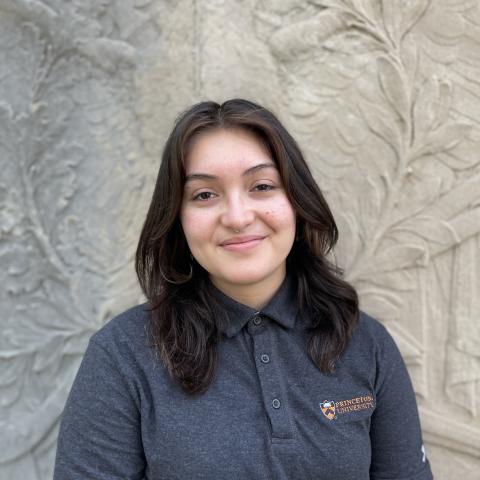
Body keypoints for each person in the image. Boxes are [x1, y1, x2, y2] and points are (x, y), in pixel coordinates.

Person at [53, 99, 433, 479]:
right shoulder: (122, 356)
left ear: (296, 202)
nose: (237, 217)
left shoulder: (366, 343)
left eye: (262, 186)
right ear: (177, 218)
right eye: (204, 194)